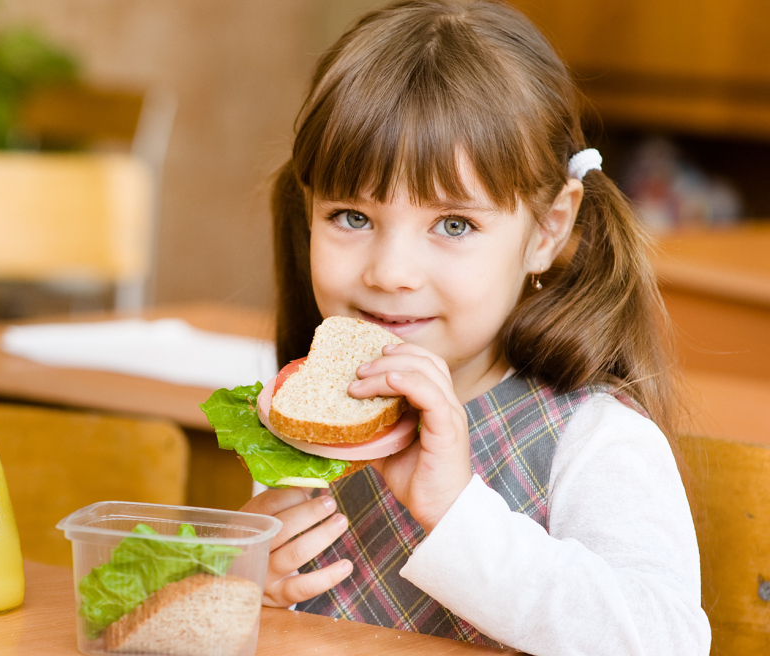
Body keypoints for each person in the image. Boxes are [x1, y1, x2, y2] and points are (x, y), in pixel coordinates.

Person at [241, 1, 711, 654]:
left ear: (548, 231)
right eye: (351, 216)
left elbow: (663, 644)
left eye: (454, 225)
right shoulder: (314, 423)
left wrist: (458, 510)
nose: (392, 272)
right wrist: (250, 582)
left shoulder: (593, 441)